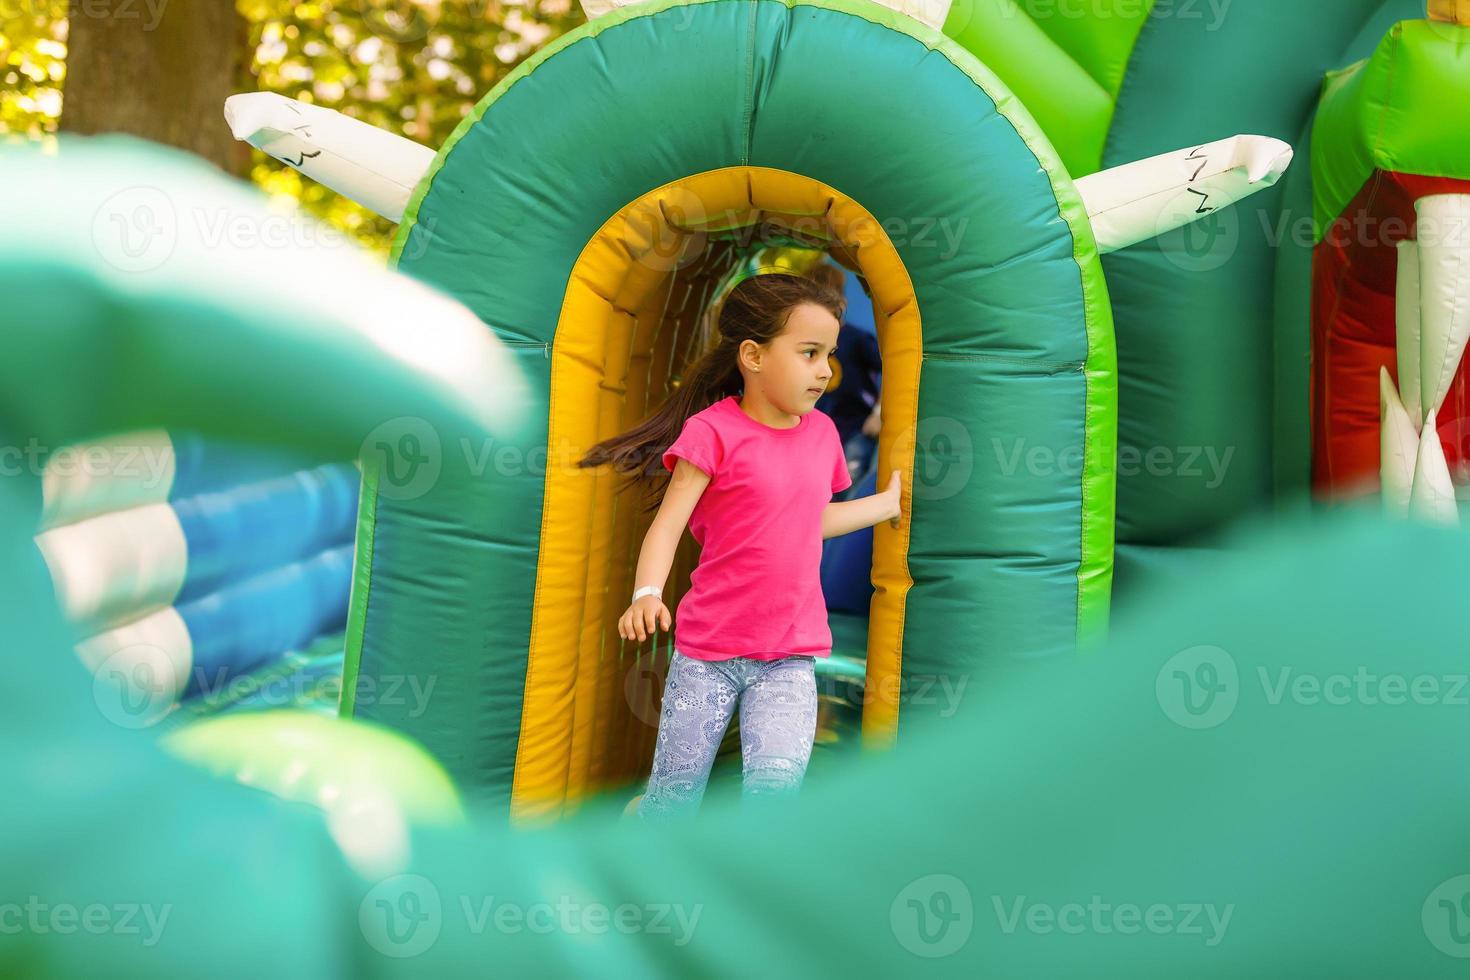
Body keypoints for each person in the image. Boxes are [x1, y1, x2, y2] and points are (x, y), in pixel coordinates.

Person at [578, 272, 903, 824]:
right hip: (708, 655)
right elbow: (668, 526)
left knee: (774, 798)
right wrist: (647, 594)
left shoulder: (822, 433)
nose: (826, 369)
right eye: (808, 353)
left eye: (828, 354)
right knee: (672, 803)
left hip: (790, 656)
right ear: (753, 356)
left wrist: (886, 504)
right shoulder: (713, 432)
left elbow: (809, 521)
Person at [804, 261, 882, 488]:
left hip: (854, 429)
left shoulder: (856, 339)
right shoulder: (801, 343)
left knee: (847, 484)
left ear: (842, 303)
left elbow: (893, 370)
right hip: (815, 435)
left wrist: (878, 413)